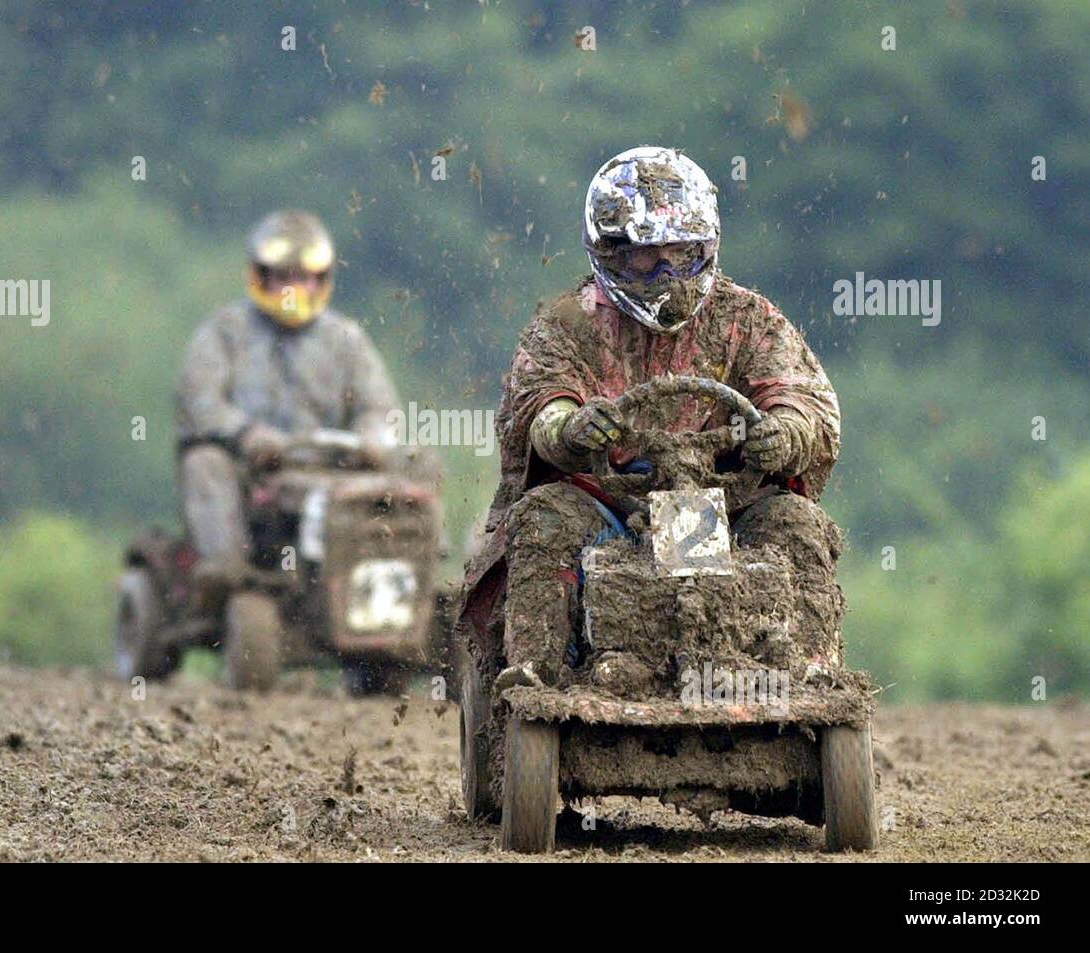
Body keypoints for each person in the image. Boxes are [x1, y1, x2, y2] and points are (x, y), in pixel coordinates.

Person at [455, 146, 843, 693]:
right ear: (609, 251)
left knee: (799, 525)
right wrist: (568, 428)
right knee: (542, 517)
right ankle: (535, 677)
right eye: (647, 258)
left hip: (728, 505)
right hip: (608, 504)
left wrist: (785, 434)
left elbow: (804, 400)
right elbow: (538, 403)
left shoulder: (750, 319)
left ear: (707, 246)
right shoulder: (567, 324)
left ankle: (812, 676)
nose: (668, 274)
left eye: (682, 253)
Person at [175, 209, 402, 597]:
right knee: (203, 462)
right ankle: (227, 573)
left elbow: (381, 408)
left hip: (333, 466)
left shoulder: (346, 339)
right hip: (250, 470)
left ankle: (399, 574)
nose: (294, 288)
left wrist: (373, 438)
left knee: (418, 461)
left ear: (322, 280)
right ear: (261, 277)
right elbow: (199, 401)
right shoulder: (224, 332)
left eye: (304, 277)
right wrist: (247, 434)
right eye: (284, 277)